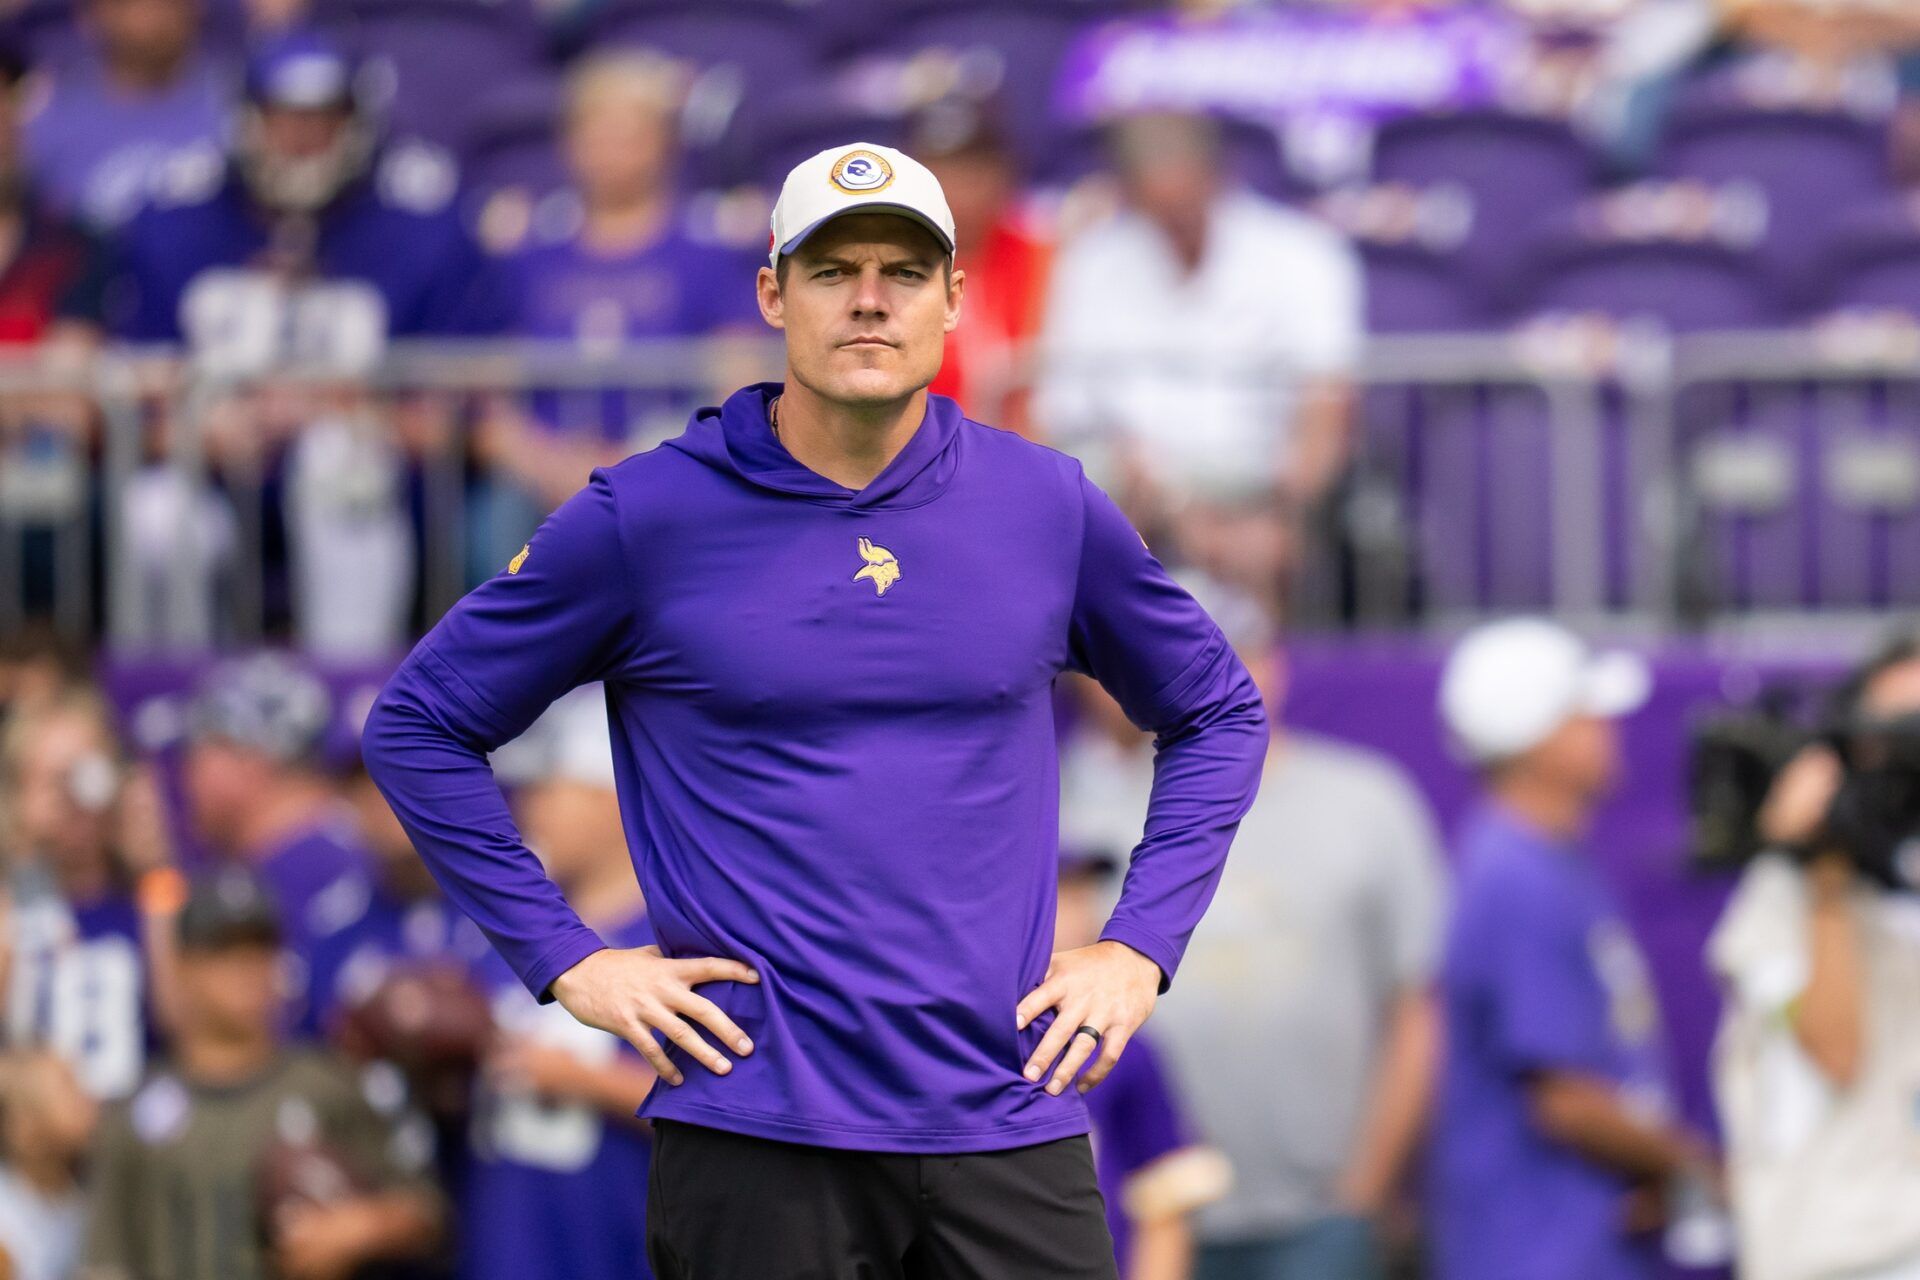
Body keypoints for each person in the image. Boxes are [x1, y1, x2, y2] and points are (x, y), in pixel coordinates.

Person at [362, 140, 1269, 1278]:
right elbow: (417, 725)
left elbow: (1219, 713)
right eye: (835, 271)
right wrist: (568, 958)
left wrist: (1138, 945)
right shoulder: (647, 516)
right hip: (758, 1129)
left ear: (954, 296)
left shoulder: (1045, 505)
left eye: (902, 269)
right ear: (773, 294)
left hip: (1006, 1108)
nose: (871, 300)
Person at [1066, 576, 1447, 1280]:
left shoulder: (1365, 801)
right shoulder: (1085, 809)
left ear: (1277, 660)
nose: (1225, 672)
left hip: (1317, 1213)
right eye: (1197, 652)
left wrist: (1366, 1188)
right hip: (1140, 1211)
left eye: (1241, 649)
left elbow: (1416, 1010)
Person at [82, 29, 511, 654]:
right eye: (284, 118)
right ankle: (174, 698)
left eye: (323, 119)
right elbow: (117, 387)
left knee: (338, 468)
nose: (302, 137)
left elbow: (469, 402)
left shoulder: (424, 233)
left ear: (357, 122)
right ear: (248, 119)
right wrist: (195, 430)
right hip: (215, 482)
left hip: (374, 493)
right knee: (159, 513)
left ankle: (349, 684)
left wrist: (348, 412)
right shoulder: (173, 226)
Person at [1428, 618, 1715, 1280]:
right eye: (1584, 715)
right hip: (1538, 1254)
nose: (1606, 730)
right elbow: (1566, 1100)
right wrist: (1695, 1166)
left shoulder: (1543, 860)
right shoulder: (1515, 875)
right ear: (1536, 738)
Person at [1033, 110, 1362, 600]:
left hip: (1263, 489)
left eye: (1185, 205)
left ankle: (1257, 668)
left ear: (1216, 176)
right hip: (1138, 492)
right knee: (1087, 507)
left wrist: (1283, 512)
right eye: (1159, 210)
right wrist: (1172, 504)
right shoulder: (1093, 263)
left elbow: (1326, 410)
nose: (1175, 226)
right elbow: (1063, 411)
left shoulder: (1304, 253)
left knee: (1263, 552)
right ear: (1131, 194)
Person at [471, 48, 766, 578]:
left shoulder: (704, 250)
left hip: (670, 470)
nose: (611, 152)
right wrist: (550, 463)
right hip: (542, 480)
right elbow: (491, 404)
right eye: (597, 133)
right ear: (569, 143)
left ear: (666, 144)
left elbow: (737, 382)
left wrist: (637, 461)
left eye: (630, 135)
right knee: (496, 521)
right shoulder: (529, 254)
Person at [80, 869, 443, 1280]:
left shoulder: (329, 1084)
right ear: (183, 968)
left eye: (260, 951)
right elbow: (104, 1263)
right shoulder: (135, 1112)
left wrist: (359, 1226)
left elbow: (426, 1213)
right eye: (225, 953)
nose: (247, 971)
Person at [1708, 633, 1920, 1280]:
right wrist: (1826, 870)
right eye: (1894, 729)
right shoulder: (1783, 892)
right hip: (1830, 1253)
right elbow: (1834, 1049)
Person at [461, 686, 661, 1280]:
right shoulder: (516, 929)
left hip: (618, 1245)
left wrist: (580, 1080)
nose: (529, 806)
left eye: (551, 786)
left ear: (610, 797)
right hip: (508, 1242)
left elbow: (731, 1111)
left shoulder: (676, 942)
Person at [181, 651, 374, 1036]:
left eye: (200, 751)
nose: (187, 773)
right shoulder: (345, 846)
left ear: (251, 759)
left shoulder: (306, 872)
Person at [1057, 848, 1228, 1280]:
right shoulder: (957, 1035)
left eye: (1082, 894)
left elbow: (1163, 1205)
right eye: (1058, 894)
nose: (1077, 912)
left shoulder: (1123, 1043)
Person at [0, 684, 155, 1101]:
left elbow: (182, 1021)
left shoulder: (154, 898)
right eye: (54, 781)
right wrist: (24, 859)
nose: (74, 799)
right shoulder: (9, 906)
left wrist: (156, 870)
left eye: (85, 774)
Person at [20, 0, 228, 231]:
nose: (151, 12)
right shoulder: (47, 123)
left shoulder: (234, 100)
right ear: (90, 16)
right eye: (127, 4)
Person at [915, 102, 1051, 439]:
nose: (955, 190)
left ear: (1003, 175)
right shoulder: (889, 267)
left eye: (971, 172)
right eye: (939, 173)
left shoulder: (1043, 254)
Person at [0, 1049, 95, 1280]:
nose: (89, 1100)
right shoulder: (6, 1226)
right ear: (24, 1129)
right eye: (68, 1088)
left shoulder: (83, 1196)